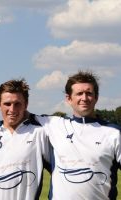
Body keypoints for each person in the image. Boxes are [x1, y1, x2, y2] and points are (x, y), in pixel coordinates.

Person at [35, 71, 121, 200]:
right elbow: (14, 108)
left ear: (96, 97)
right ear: (68, 98)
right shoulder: (53, 124)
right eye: (79, 93)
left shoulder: (113, 133)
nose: (84, 98)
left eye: (89, 93)